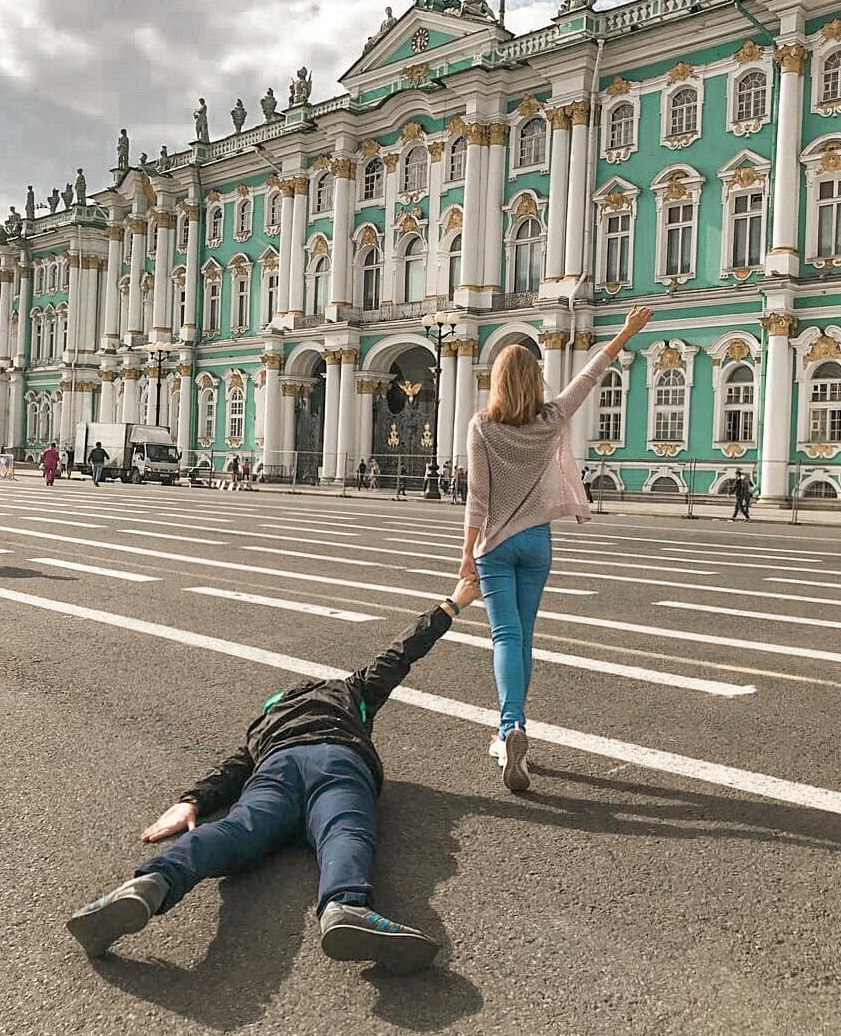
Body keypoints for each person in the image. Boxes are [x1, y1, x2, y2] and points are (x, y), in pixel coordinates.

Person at [66, 577, 481, 972]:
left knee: (236, 829)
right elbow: (400, 653)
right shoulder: (350, 689)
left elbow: (230, 770)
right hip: (338, 759)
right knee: (345, 831)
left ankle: (151, 882)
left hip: (277, 765)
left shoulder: (264, 724)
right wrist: (452, 604)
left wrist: (189, 801)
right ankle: (345, 906)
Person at [461, 306, 653, 793]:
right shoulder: (551, 418)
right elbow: (590, 376)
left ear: (498, 382)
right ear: (536, 380)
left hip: (495, 546)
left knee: (504, 637)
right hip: (537, 543)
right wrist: (626, 332)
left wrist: (467, 554)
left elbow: (477, 498)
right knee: (524, 637)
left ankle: (510, 727)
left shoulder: (482, 426)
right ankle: (510, 728)